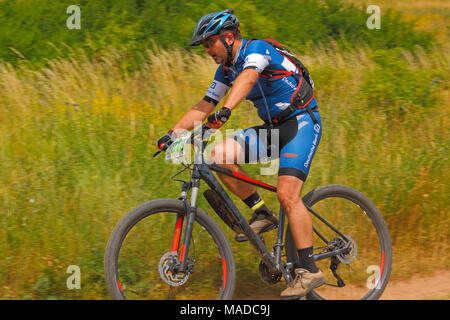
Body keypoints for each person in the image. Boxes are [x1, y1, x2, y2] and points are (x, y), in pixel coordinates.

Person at [157, 9, 324, 299]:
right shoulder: (224, 70)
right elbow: (205, 104)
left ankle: (309, 269)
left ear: (229, 36)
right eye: (204, 46)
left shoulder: (257, 50)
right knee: (217, 155)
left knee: (288, 194)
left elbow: (247, 79)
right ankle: (261, 213)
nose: (207, 50)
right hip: (272, 128)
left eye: (210, 43)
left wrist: (227, 110)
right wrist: (173, 134)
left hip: (301, 123)